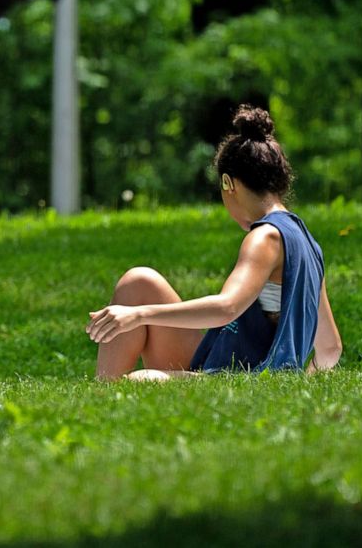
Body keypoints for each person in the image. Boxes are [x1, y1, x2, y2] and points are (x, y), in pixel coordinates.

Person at [86, 105, 342, 381]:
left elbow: (226, 307)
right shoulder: (308, 244)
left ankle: (103, 401)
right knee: (139, 282)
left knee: (141, 381)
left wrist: (139, 315)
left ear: (228, 183)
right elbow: (330, 348)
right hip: (226, 366)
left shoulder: (265, 237)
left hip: (236, 381)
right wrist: (299, 385)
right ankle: (102, 394)